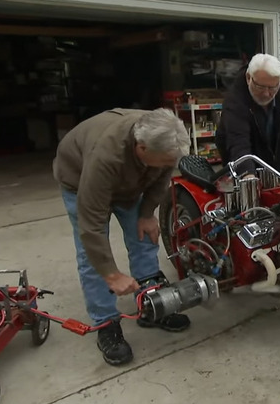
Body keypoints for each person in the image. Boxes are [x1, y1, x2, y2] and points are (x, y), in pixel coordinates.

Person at [53, 107, 192, 365]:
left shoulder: (162, 145)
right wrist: (111, 274)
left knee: (145, 236)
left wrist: (147, 212)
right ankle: (105, 322)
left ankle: (151, 303)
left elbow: (162, 179)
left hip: (131, 183)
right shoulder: (106, 156)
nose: (167, 166)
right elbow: (91, 226)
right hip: (80, 179)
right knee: (92, 254)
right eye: (163, 161)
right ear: (142, 148)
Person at [215, 53, 280, 175]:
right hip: (241, 165)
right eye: (260, 87)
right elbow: (239, 144)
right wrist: (248, 176)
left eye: (273, 88)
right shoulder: (235, 100)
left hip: (277, 166)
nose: (267, 94)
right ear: (248, 78)